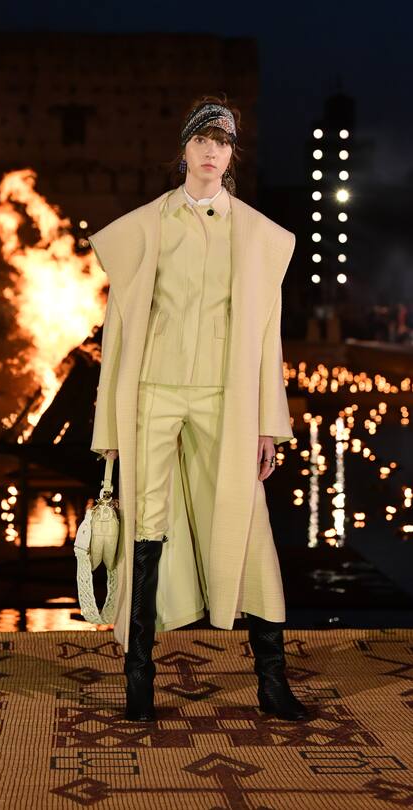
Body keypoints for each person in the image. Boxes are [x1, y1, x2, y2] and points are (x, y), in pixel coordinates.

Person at [88, 94, 309, 723]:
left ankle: (272, 680)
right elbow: (119, 329)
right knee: (144, 525)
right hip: (152, 392)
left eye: (223, 142)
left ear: (232, 155)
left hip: (225, 395)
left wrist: (271, 423)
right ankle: (139, 682)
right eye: (202, 139)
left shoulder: (258, 235)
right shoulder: (146, 226)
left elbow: (269, 337)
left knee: (248, 522)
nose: (212, 151)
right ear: (183, 148)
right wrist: (109, 426)